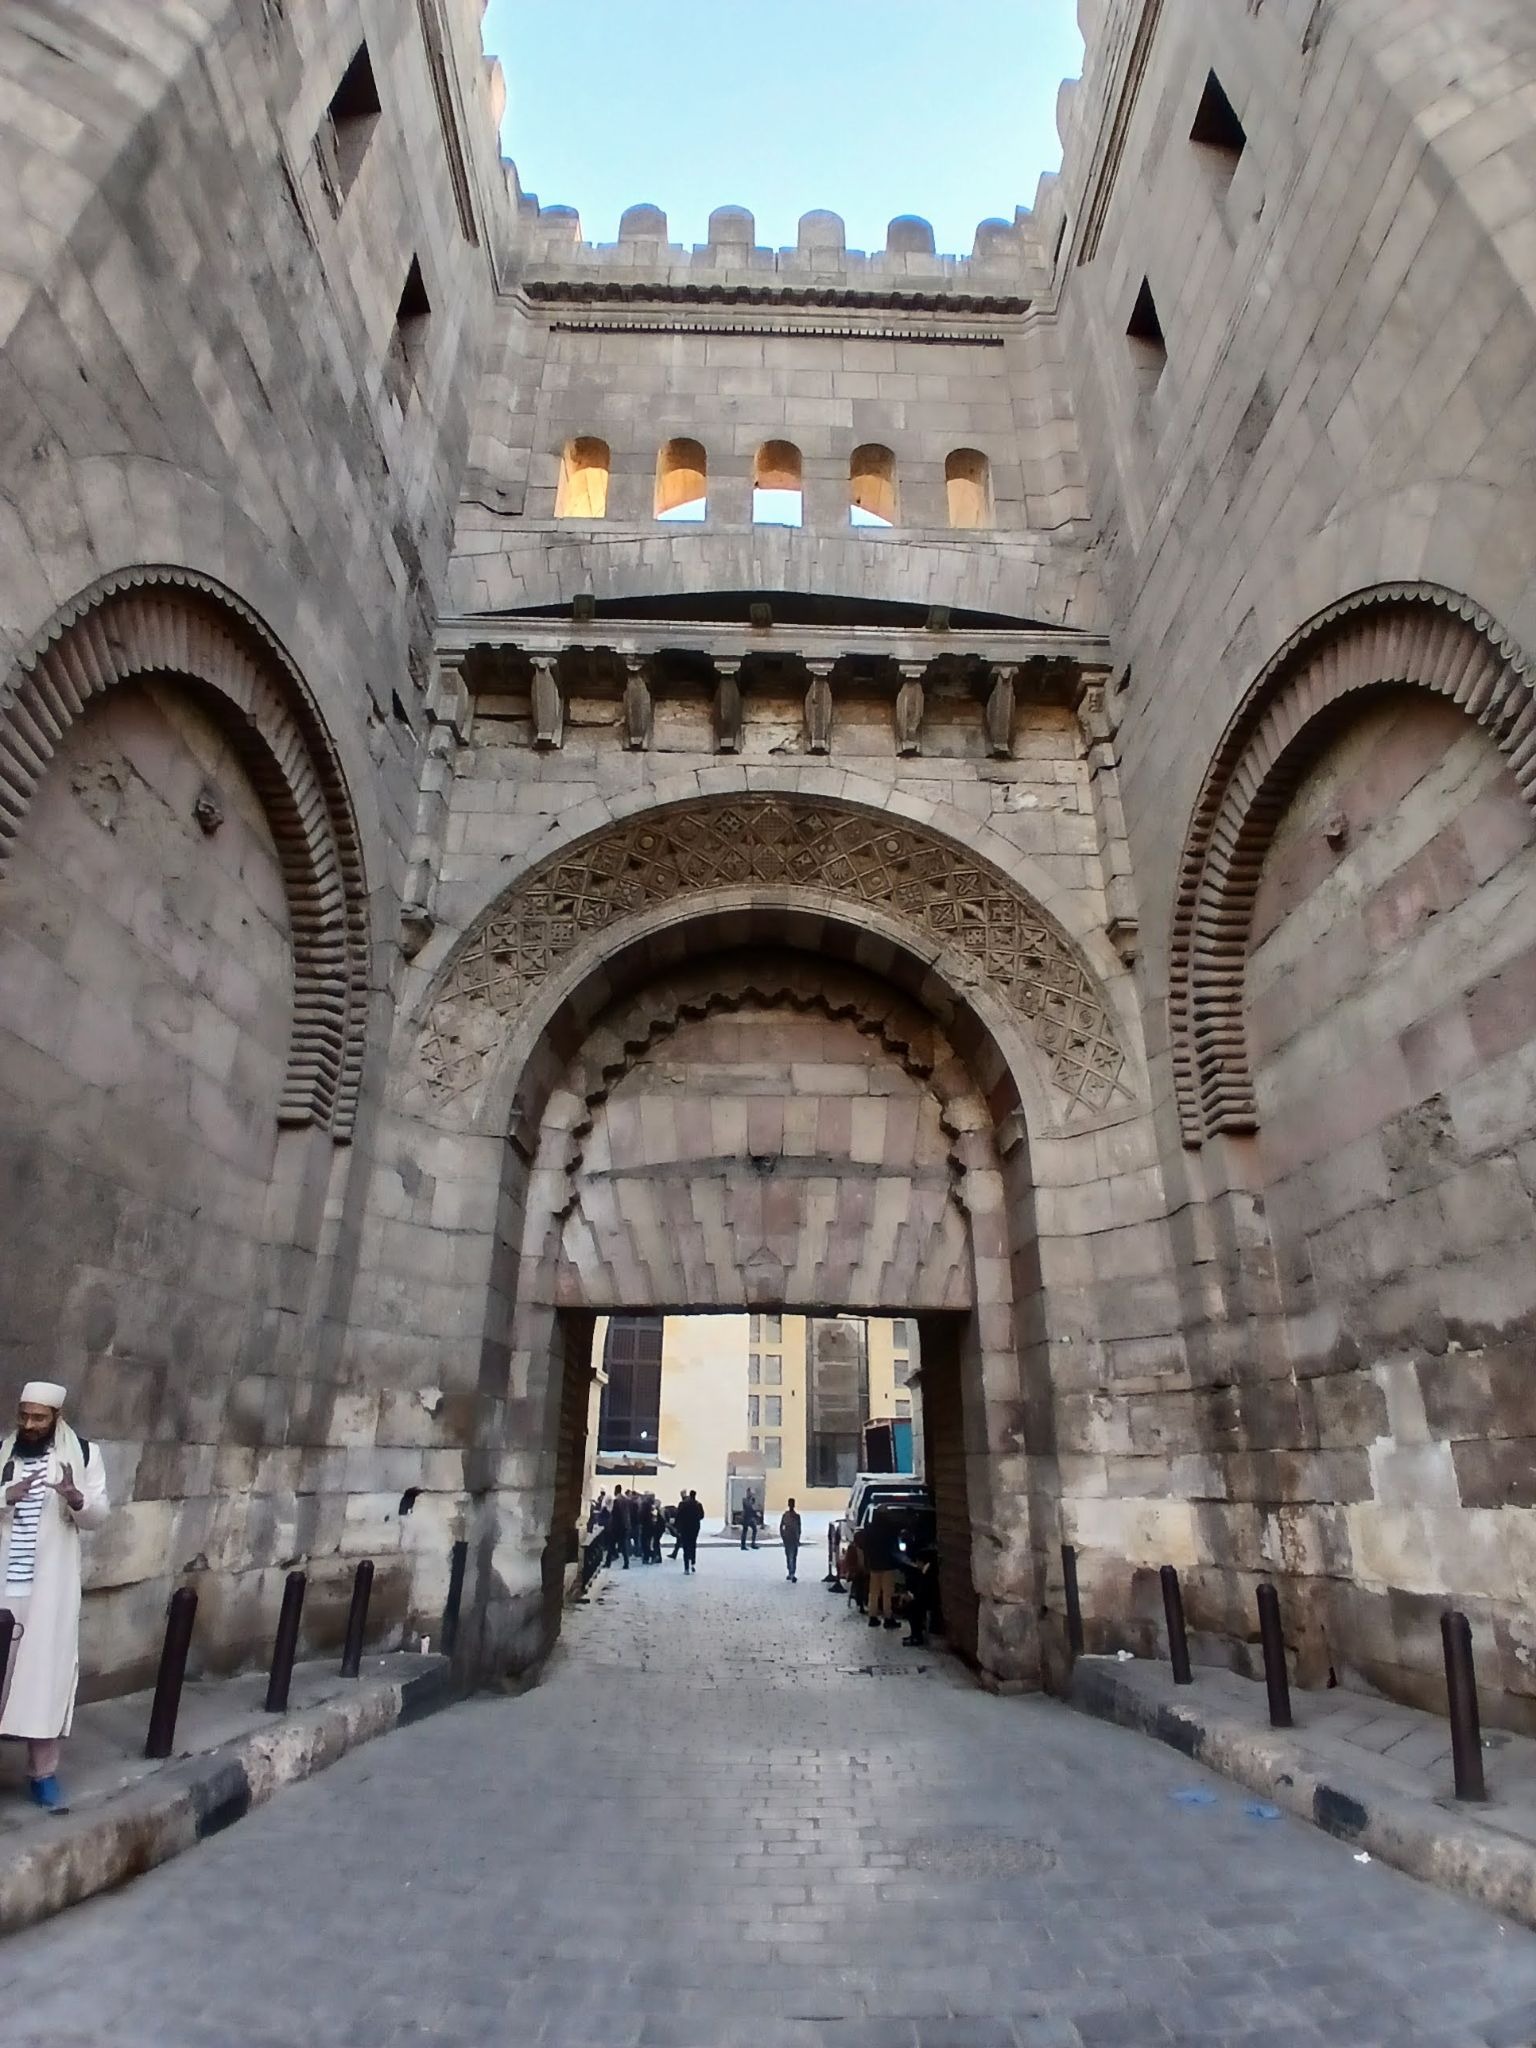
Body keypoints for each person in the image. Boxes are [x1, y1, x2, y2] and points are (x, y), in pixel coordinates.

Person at [0, 1381, 110, 1810]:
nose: (29, 1424)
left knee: (44, 1677)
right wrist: (5, 1496)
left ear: (55, 1418)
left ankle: (42, 1773)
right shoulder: (3, 1451)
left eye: (38, 1418)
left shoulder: (84, 1454)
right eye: (24, 1415)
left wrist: (75, 1497)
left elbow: (99, 1514)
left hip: (48, 1589)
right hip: (4, 1586)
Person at [861, 1505, 903, 1631]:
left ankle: (873, 1617)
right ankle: (888, 1617)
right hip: (887, 1565)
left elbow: (865, 1547)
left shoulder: (870, 1528)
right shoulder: (889, 1528)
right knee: (887, 1593)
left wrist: (867, 1562)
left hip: (874, 1565)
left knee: (873, 1593)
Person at [674, 1489, 703, 1574]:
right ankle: (693, 1563)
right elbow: (702, 1516)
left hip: (685, 1528)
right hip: (695, 1528)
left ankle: (686, 1567)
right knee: (693, 1545)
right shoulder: (698, 1504)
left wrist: (677, 1527)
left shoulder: (683, 1504)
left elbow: (678, 1516)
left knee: (685, 1547)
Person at [606, 1485, 632, 1569]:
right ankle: (626, 1563)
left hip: (617, 1527)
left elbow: (614, 1514)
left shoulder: (616, 1501)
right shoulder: (626, 1500)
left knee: (611, 1545)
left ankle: (608, 1562)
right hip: (625, 1526)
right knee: (624, 1546)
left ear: (615, 1491)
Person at [779, 1499, 802, 1583]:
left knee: (792, 1556)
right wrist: (783, 1535)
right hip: (788, 1538)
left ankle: (792, 1572)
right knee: (789, 1556)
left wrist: (798, 1538)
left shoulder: (796, 1516)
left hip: (793, 1538)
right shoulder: (786, 1515)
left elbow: (799, 1529)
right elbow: (781, 1526)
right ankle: (791, 1572)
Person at [738, 1487, 761, 1551]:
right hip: (746, 1517)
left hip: (751, 1518)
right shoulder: (745, 1500)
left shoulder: (751, 1500)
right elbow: (749, 1509)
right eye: (750, 1492)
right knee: (745, 1531)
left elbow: (753, 1507)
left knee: (754, 1530)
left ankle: (752, 1544)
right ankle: (743, 1545)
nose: (751, 1494)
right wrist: (756, 1514)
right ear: (748, 1493)